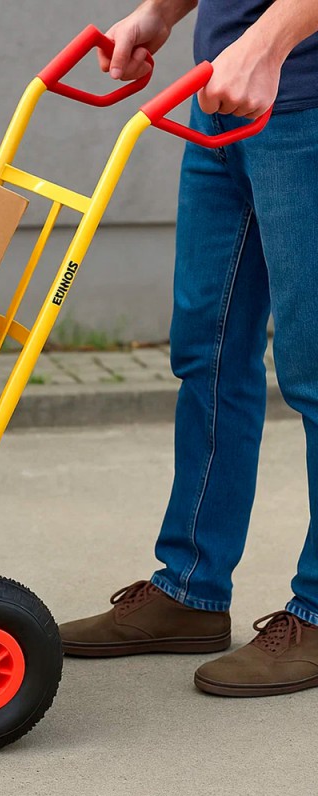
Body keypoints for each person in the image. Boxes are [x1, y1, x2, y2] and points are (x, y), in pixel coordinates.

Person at [60, 0, 318, 696]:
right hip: (219, 103)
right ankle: (191, 591)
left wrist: (268, 42)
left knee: (313, 372)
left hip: (304, 104)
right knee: (206, 352)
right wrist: (160, 13)